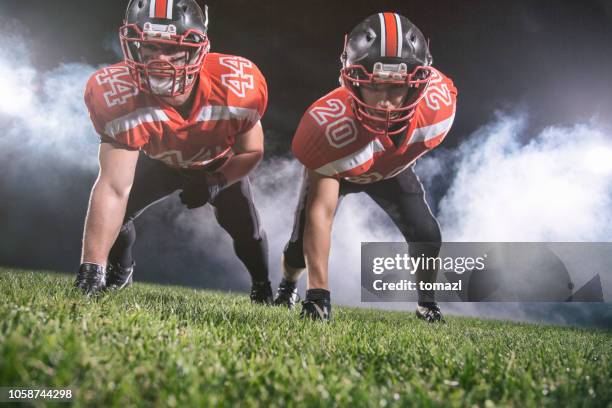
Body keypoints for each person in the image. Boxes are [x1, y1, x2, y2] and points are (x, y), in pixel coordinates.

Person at [74, 0, 273, 304]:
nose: (160, 61)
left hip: (217, 164)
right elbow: (113, 187)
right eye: (150, 48)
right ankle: (118, 272)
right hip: (160, 162)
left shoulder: (236, 85)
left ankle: (262, 286)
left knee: (248, 231)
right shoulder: (115, 93)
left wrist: (217, 180)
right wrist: (90, 270)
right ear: (133, 45)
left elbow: (252, 151)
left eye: (171, 49)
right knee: (119, 214)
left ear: (197, 48)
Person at [274, 13, 457, 322]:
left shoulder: (439, 107)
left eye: (396, 86)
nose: (385, 103)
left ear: (417, 84)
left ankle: (427, 303)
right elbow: (322, 214)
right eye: (374, 85)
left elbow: (409, 149)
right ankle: (287, 286)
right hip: (340, 167)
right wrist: (318, 296)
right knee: (297, 248)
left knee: (427, 233)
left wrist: (390, 159)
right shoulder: (326, 127)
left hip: (387, 169)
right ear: (350, 78)